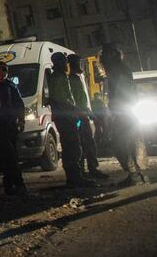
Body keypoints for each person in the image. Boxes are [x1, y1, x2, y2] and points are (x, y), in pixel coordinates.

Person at [99, 43, 147, 186]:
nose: (103, 58)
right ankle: (135, 174)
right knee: (127, 143)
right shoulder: (118, 69)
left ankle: (134, 174)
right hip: (126, 111)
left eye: (106, 54)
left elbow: (123, 92)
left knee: (122, 143)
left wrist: (115, 107)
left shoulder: (118, 70)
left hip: (124, 112)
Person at [48, 53, 96, 188]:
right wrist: (78, 111)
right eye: (64, 62)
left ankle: (76, 177)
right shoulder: (58, 78)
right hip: (66, 118)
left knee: (74, 147)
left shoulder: (62, 77)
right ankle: (75, 178)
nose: (66, 64)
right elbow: (63, 100)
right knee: (72, 148)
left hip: (68, 117)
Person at [0, 61, 27, 196]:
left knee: (11, 156)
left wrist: (21, 120)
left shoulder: (11, 86)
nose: (2, 73)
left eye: (5, 70)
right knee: (8, 155)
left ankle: (10, 185)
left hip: (11, 126)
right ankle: (18, 184)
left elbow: (19, 104)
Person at [67, 53, 108, 180]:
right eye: (77, 63)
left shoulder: (79, 77)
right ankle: (85, 170)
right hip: (78, 116)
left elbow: (83, 98)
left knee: (88, 142)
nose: (79, 65)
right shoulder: (71, 79)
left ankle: (91, 168)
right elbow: (75, 99)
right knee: (82, 143)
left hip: (84, 114)